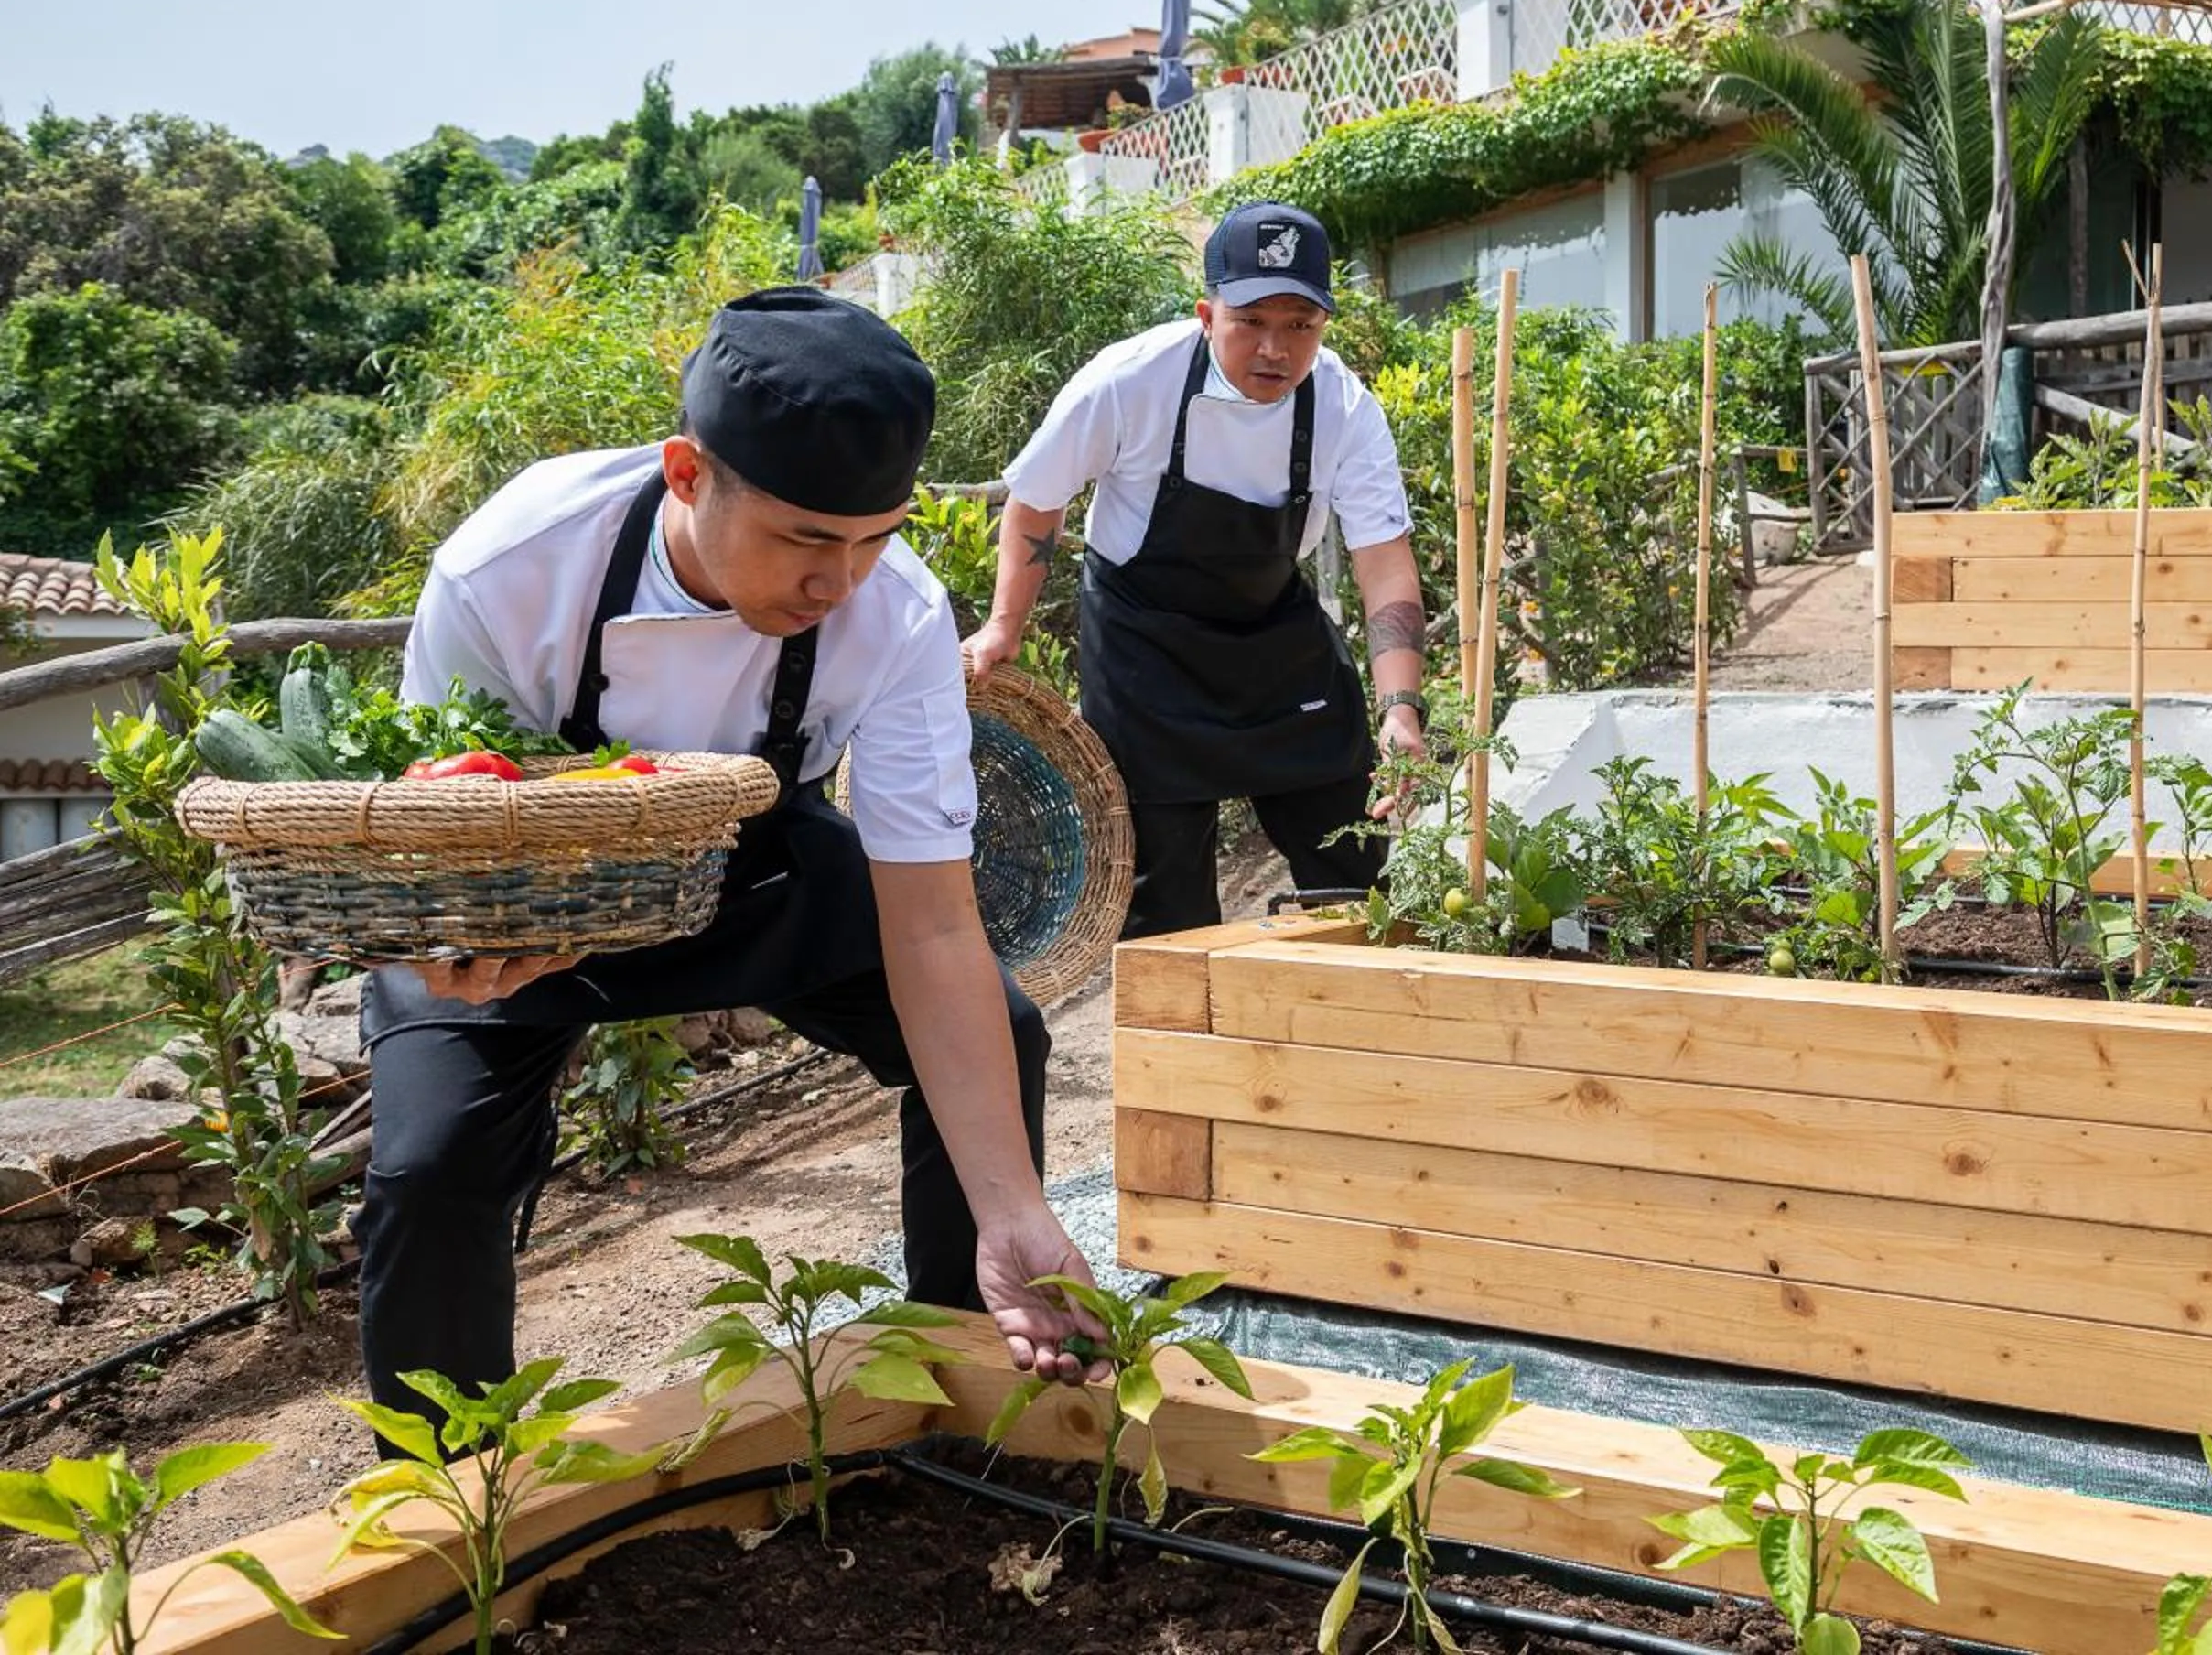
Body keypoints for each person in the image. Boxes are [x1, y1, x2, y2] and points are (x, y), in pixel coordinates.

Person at [355, 287, 1098, 1425]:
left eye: (872, 539)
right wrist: (458, 944)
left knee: (1004, 1029)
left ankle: (965, 1379)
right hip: (523, 881)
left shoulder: (892, 612)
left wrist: (1018, 1208)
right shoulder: (507, 569)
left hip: (756, 865)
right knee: (430, 1161)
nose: (836, 582)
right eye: (805, 538)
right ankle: (453, 1490)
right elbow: (440, 832)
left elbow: (934, 919)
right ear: (688, 474)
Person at [963, 203, 1428, 936]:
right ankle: (1175, 1048)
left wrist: (1402, 707)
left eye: (1300, 326)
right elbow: (1037, 501)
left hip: (1273, 632)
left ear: (1323, 327)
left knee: (1354, 859)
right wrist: (1002, 627)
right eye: (1252, 321)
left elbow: (1385, 562)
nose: (1275, 349)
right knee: (1163, 899)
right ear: (1207, 314)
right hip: (1143, 645)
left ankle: (1353, 1034)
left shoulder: (1341, 403)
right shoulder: (1127, 381)